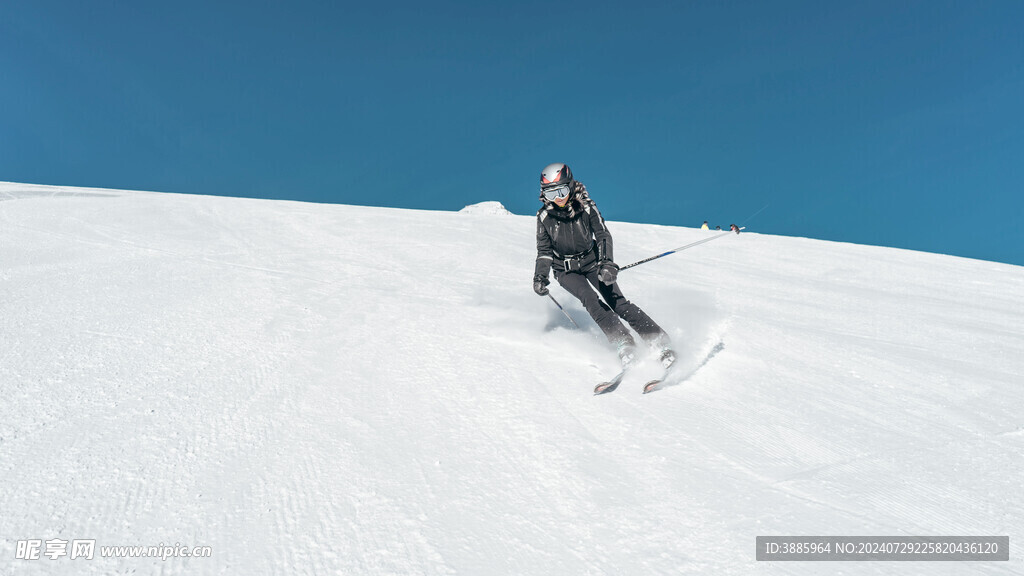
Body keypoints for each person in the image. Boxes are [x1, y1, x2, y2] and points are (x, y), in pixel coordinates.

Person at [532, 163, 675, 369]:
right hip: (565, 270)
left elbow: (602, 235)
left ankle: (659, 341)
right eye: (551, 193)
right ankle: (623, 343)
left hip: (591, 262)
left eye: (561, 191)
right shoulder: (544, 216)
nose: (558, 198)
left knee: (618, 303)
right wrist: (540, 277)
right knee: (590, 300)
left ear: (570, 186)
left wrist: (606, 263)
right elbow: (544, 251)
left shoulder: (586, 207)